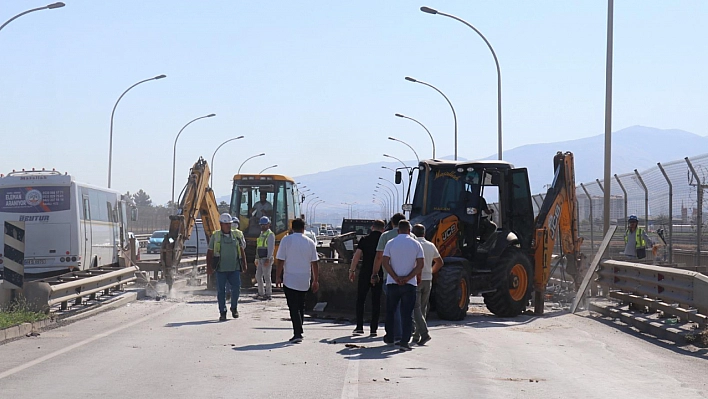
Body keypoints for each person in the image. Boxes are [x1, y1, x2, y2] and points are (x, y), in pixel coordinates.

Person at [275, 218, 320, 343]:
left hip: (290, 279)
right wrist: (315, 280)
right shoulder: (310, 242)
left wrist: (278, 276)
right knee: (301, 306)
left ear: (292, 228)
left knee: (293, 307)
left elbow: (280, 260)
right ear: (303, 229)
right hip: (304, 280)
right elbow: (315, 263)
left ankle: (298, 333)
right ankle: (299, 331)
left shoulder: (286, 240)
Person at [382, 220, 424, 351]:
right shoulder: (416, 244)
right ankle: (404, 342)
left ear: (398, 230)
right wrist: (407, 278)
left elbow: (385, 262)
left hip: (392, 284)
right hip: (409, 284)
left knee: (391, 311)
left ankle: (390, 337)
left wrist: (395, 277)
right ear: (409, 231)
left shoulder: (390, 243)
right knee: (407, 314)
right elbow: (420, 264)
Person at [371, 213, 407, 342]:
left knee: (394, 307)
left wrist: (374, 273)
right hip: (408, 278)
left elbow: (380, 257)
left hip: (390, 278)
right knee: (407, 307)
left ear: (392, 223)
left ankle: (396, 334)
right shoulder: (412, 237)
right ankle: (406, 333)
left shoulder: (385, 236)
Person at [207, 213, 247, 321]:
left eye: (229, 224)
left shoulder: (237, 235)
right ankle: (222, 312)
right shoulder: (215, 236)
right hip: (220, 269)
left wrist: (244, 263)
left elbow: (242, 250)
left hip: (234, 268)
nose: (228, 226)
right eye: (226, 224)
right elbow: (210, 252)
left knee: (236, 288)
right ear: (221, 224)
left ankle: (234, 307)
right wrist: (209, 267)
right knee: (221, 291)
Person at [348, 219, 385, 336]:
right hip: (379, 273)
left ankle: (359, 327)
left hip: (365, 273)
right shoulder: (384, 240)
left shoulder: (364, 239)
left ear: (372, 227)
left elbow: (356, 257)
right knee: (376, 301)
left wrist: (352, 270)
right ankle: (373, 329)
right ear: (383, 229)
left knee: (361, 300)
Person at [411, 223, 443, 346]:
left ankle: (423, 333)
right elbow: (439, 262)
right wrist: (431, 271)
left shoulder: (413, 245)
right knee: (422, 308)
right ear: (424, 233)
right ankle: (417, 336)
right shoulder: (431, 245)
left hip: (416, 279)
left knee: (415, 308)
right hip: (427, 279)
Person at [254, 216, 275, 300]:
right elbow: (258, 247)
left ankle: (268, 294)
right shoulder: (261, 234)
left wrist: (268, 258)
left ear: (268, 225)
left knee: (267, 277)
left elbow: (271, 247)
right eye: (261, 225)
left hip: (266, 258)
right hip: (260, 258)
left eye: (264, 225)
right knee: (258, 276)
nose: (262, 226)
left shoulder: (270, 235)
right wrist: (256, 258)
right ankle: (261, 293)